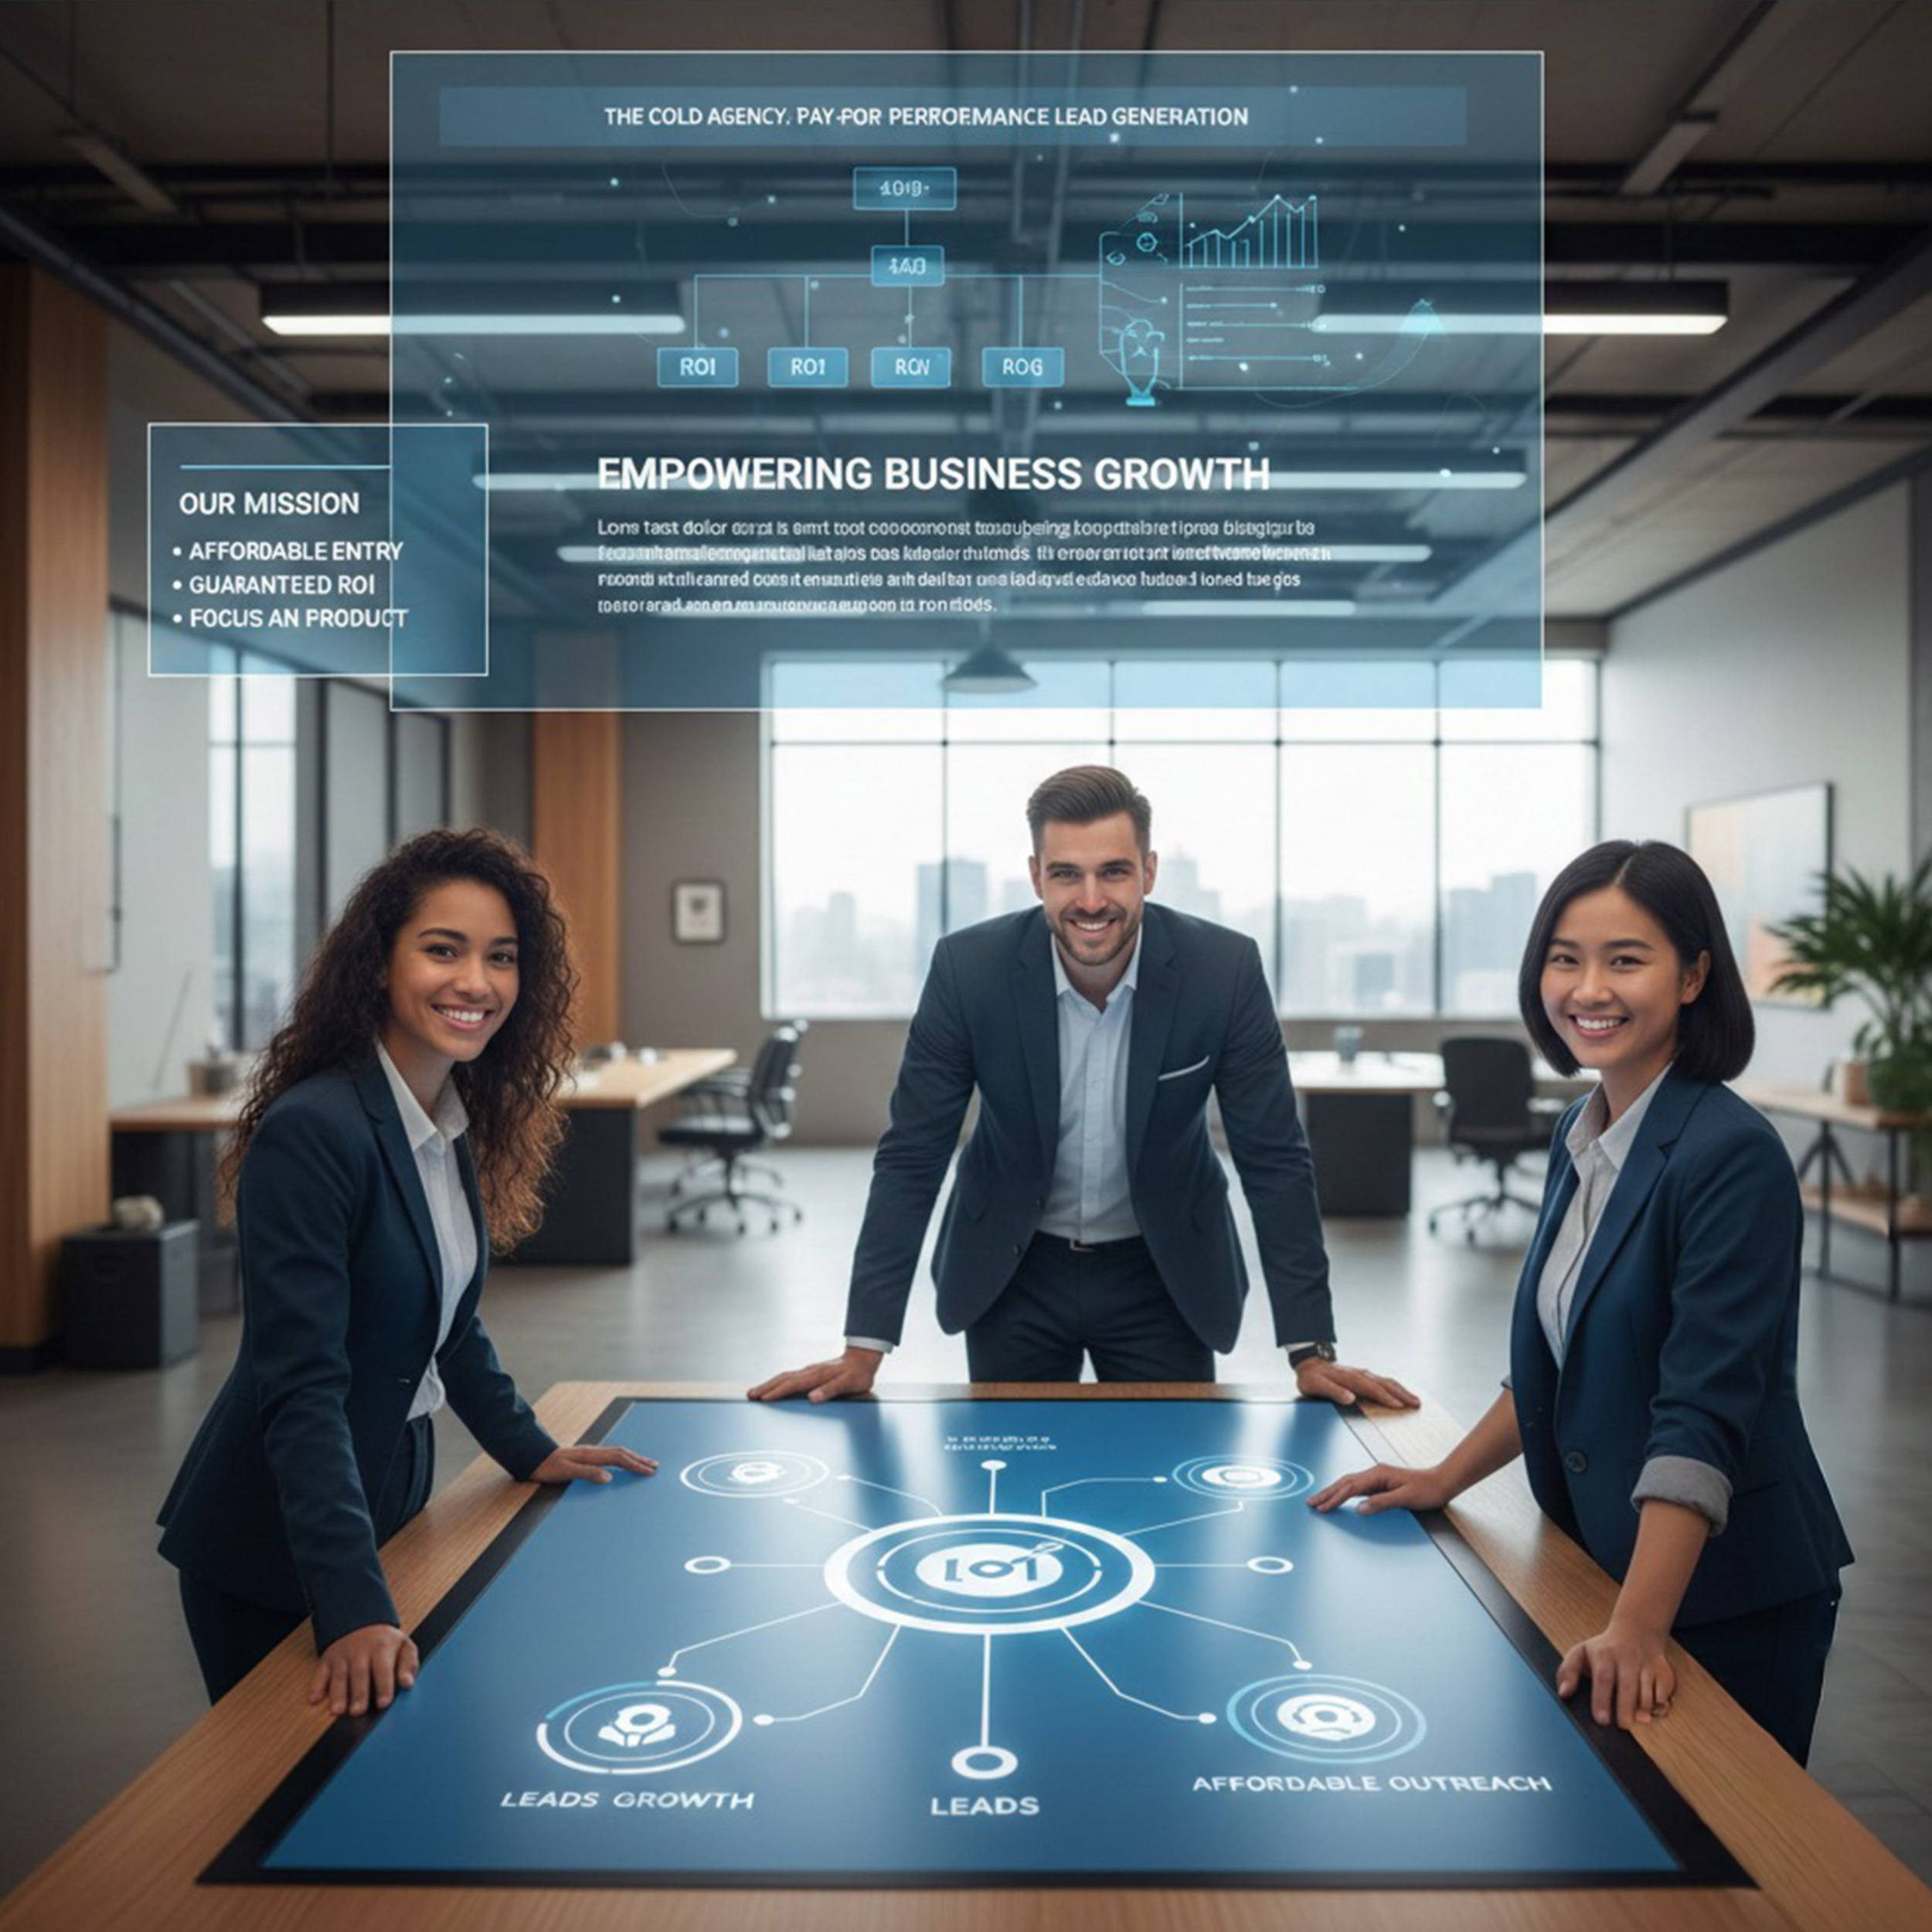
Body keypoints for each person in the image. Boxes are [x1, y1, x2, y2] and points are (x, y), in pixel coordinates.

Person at [1309, 839, 1851, 1764]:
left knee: (1719, 1848)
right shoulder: (1582, 1128)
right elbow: (1561, 1359)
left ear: (1693, 977)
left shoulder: (1731, 1155)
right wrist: (1443, 1477)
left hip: (1724, 1592)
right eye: (1565, 958)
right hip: (1612, 1557)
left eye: (1624, 959)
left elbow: (1701, 1412)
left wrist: (1639, 1625)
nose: (1587, 988)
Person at [158, 828, 657, 1714]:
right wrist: (350, 1604)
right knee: (292, 1785)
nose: (476, 982)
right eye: (443, 949)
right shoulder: (315, 1132)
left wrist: (529, 1448)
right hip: (277, 1545)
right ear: (380, 965)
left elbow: (447, 1321)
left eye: (500, 957)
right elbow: (302, 1385)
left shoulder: (442, 1117)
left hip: (385, 1495)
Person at [751, 765, 1416, 1406]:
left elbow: (1273, 1159)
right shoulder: (968, 970)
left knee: (1169, 1473)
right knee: (1012, 1472)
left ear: (1149, 872)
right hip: (1012, 1270)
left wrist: (1311, 1349)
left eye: (1114, 872)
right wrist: (864, 1346)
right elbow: (912, 1155)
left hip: (1164, 1273)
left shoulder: (1223, 971)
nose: (1091, 901)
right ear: (1036, 875)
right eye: (1067, 873)